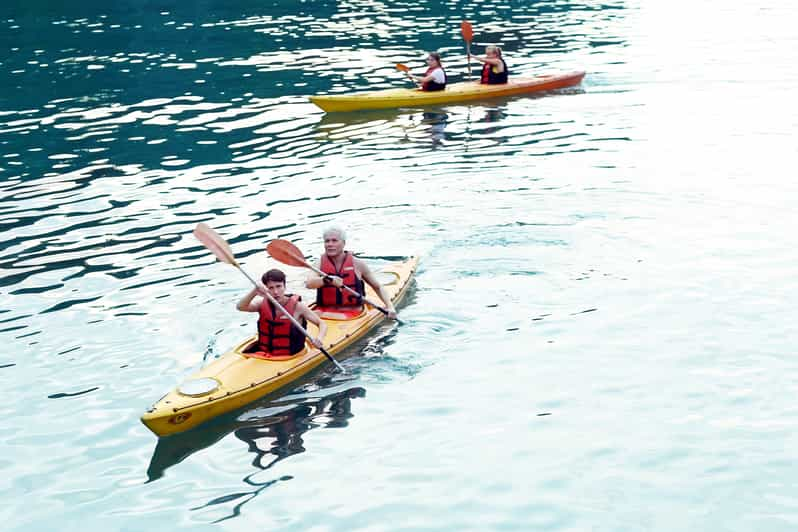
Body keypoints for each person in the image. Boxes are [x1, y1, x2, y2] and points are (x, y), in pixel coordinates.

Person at [305, 226, 398, 319]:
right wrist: (326, 280)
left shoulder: (358, 264)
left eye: (334, 241)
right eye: (327, 241)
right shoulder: (319, 263)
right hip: (323, 310)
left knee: (312, 314)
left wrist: (390, 307)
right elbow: (309, 284)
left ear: (343, 243)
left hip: (352, 313)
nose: (330, 244)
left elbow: (378, 287)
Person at [237, 269, 327, 357]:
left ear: (284, 286)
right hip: (264, 354)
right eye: (271, 288)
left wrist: (319, 338)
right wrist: (254, 291)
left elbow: (321, 323)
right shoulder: (261, 304)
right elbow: (240, 307)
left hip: (292, 355)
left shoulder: (298, 307)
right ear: (265, 289)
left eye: (278, 286)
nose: (275, 292)